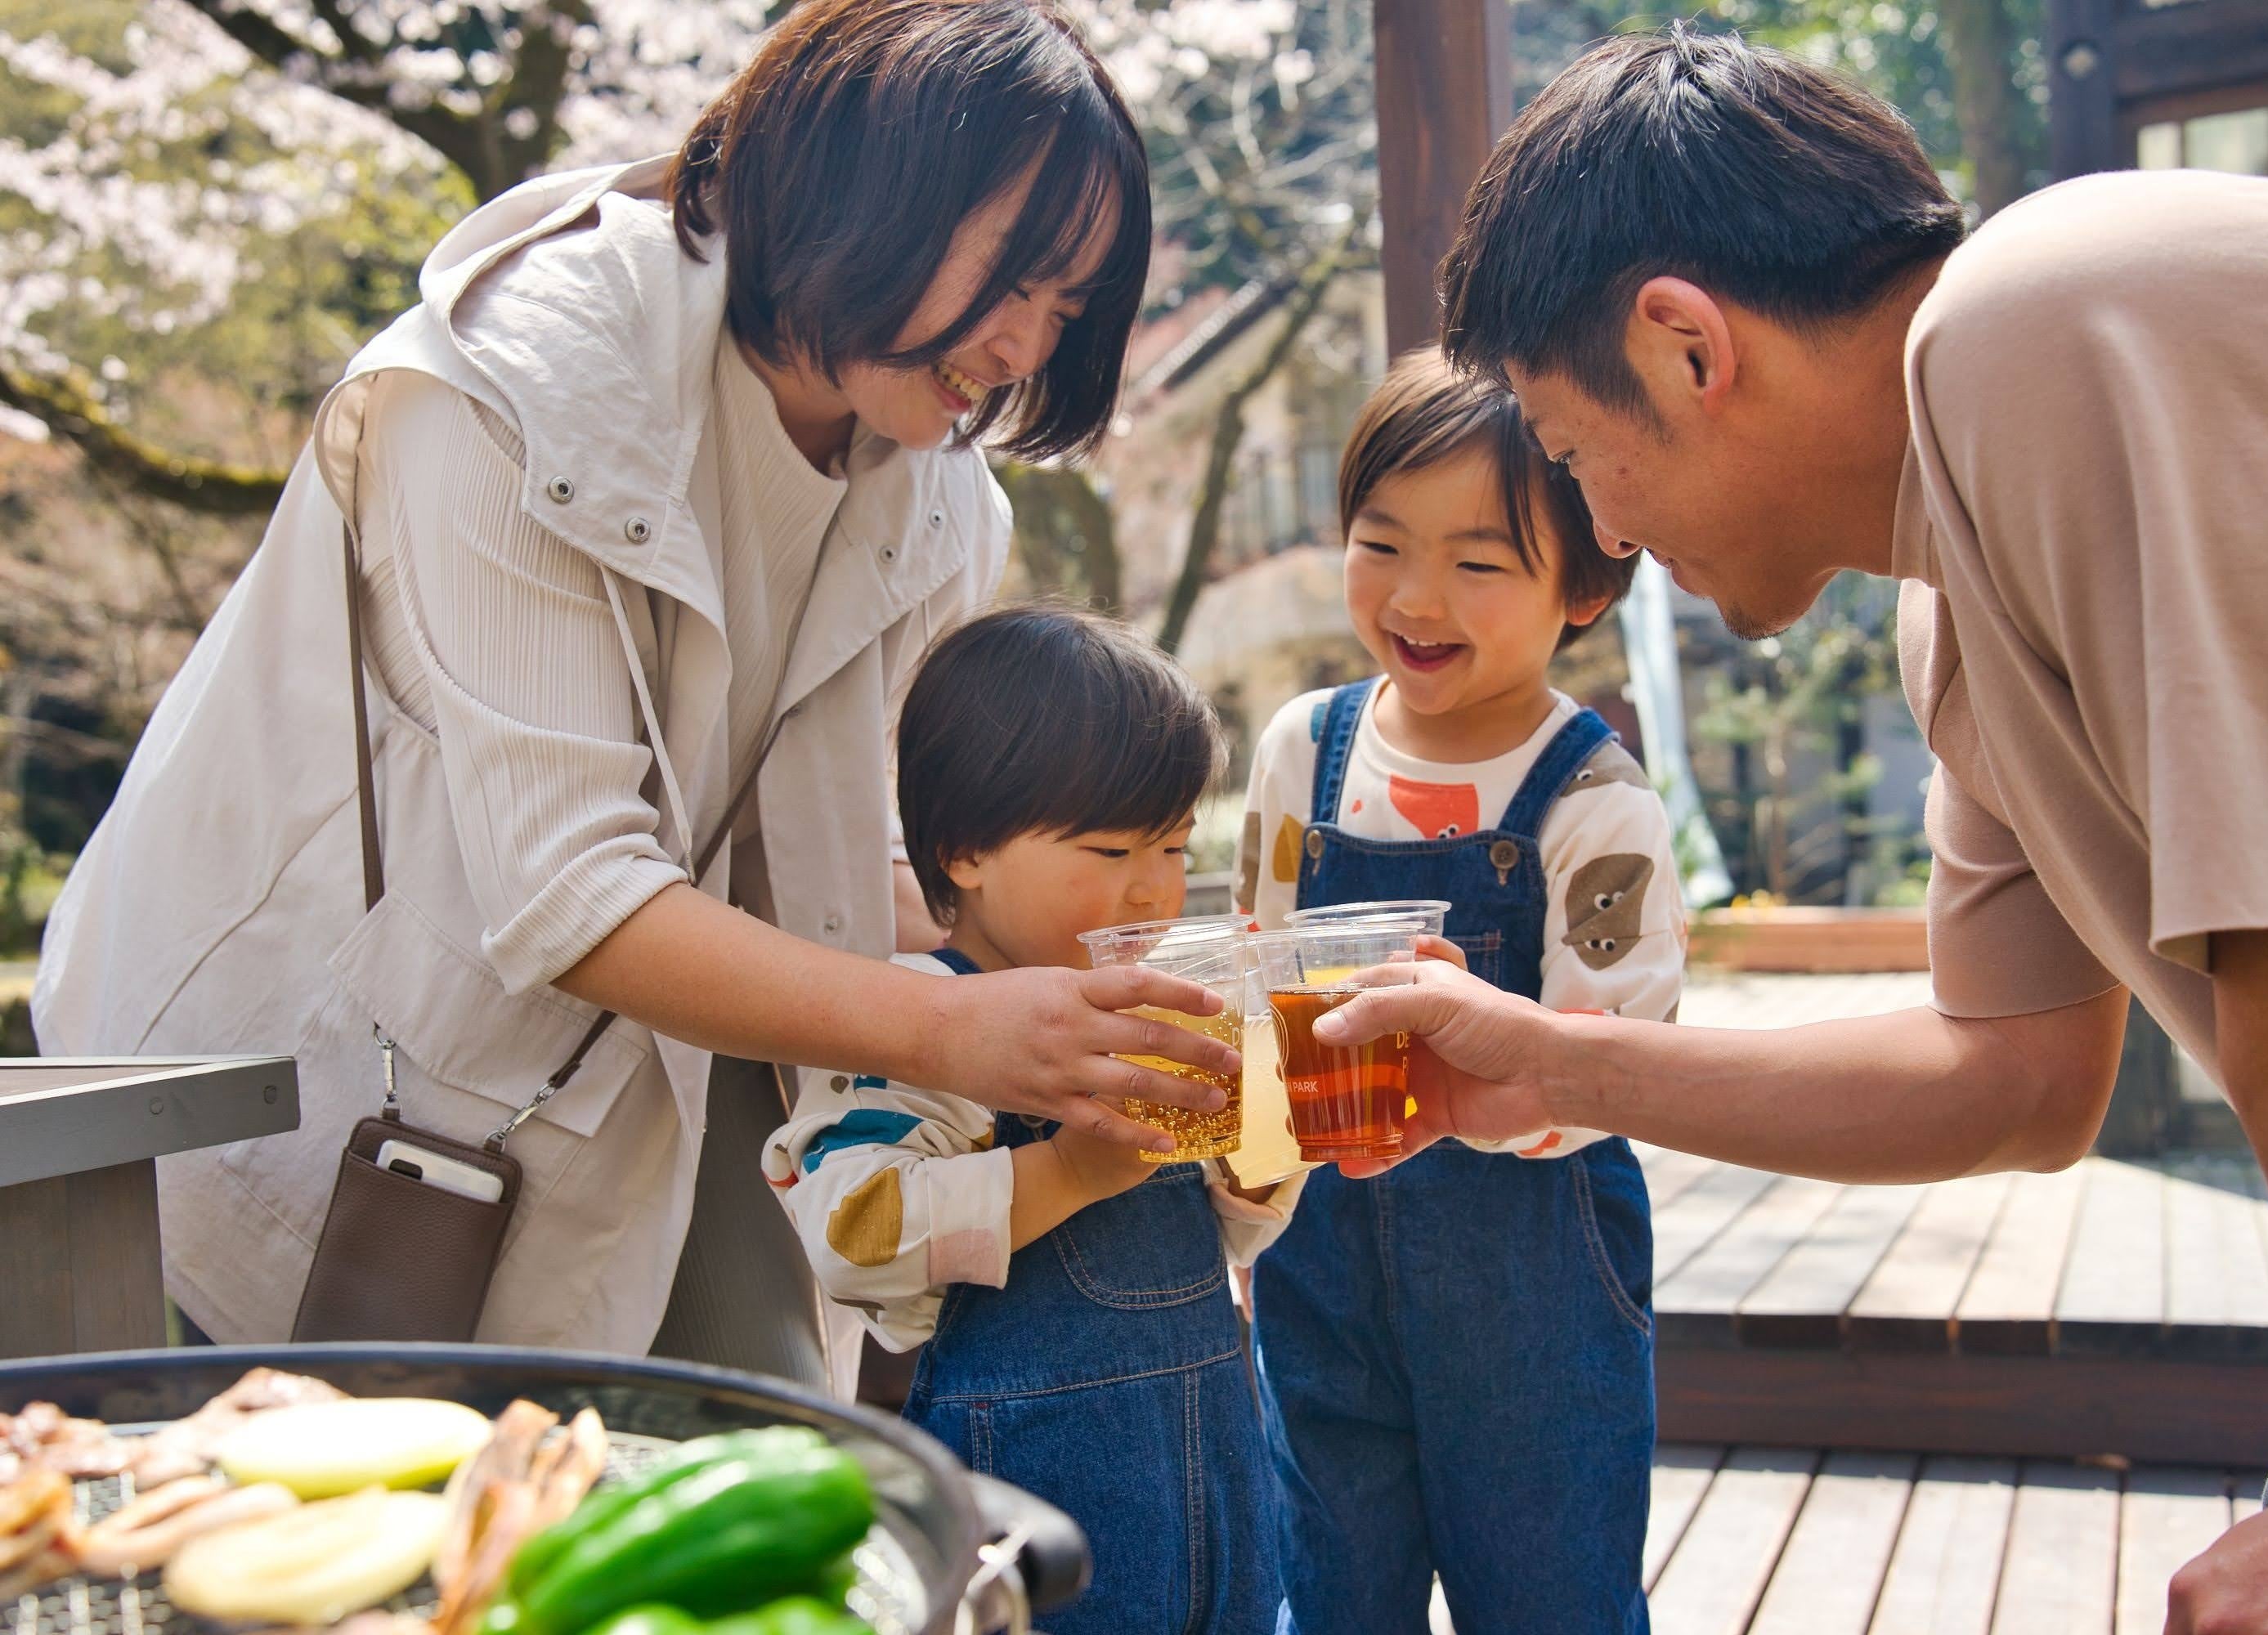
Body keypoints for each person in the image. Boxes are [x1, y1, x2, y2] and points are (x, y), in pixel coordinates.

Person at [1314, 25, 2268, 1629]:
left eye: (1579, 456)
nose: (1612, 531)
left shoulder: (2035, 318)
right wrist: (1547, 1059)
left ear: (1686, 346)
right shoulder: (1954, 604)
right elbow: (2011, 1077)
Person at [31, 0, 1239, 1376]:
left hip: (647, 1097)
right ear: (868, 181)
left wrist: (1102, 932)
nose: (1025, 347)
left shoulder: (942, 499)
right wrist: (962, 1024)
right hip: (286, 1087)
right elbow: (576, 891)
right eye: (1013, 278)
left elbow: (848, 857)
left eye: (1066, 307)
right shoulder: (505, 389)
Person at [1235, 350, 1677, 1633]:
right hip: (1321, 1262)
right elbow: (1262, 978)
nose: (1419, 597)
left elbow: (1613, 1062)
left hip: (1528, 1280)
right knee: (1330, 1587)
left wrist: (1491, 1088)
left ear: (1584, 581)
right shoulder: (1299, 752)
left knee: (1547, 1596)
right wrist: (1250, 1200)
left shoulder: (1592, 803)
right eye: (1382, 544)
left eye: (1480, 564)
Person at [766, 606, 1296, 1634]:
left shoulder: (1151, 1012)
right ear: (964, 849)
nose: (1151, 885)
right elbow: (852, 1234)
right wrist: (1069, 1170)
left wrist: (1274, 1127)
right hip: (1035, 1520)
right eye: (1107, 848)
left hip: (1225, 1482)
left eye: (1175, 845)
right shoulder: (916, 1021)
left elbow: (1228, 1230)